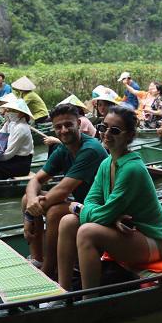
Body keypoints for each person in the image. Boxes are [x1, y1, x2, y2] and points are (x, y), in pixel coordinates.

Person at [57, 106, 162, 294]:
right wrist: (111, 217)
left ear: (129, 136)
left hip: (154, 241)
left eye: (115, 130)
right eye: (104, 127)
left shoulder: (131, 169)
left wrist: (78, 208)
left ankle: (89, 300)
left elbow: (99, 212)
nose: (106, 134)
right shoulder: (106, 163)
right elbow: (92, 201)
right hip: (129, 232)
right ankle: (62, 291)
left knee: (87, 231)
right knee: (67, 221)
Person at [22, 103, 108, 278]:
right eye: (58, 127)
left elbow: (62, 191)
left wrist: (30, 214)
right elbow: (36, 180)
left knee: (54, 211)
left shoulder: (90, 149)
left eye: (68, 125)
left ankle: (49, 268)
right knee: (27, 199)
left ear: (78, 123)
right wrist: (30, 205)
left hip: (98, 208)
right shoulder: (63, 148)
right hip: (79, 203)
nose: (64, 130)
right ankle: (38, 259)